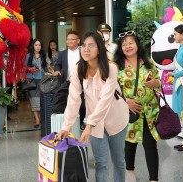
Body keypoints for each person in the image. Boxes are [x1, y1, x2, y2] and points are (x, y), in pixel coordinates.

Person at [55, 31, 129, 182]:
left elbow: (105, 100)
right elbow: (73, 99)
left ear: (99, 48)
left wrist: (89, 124)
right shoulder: (78, 69)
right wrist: (66, 126)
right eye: (83, 46)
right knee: (101, 164)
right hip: (94, 124)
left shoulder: (111, 68)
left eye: (91, 46)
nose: (86, 50)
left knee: (119, 162)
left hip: (116, 119)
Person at [115, 31, 161, 182]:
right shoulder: (117, 67)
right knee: (129, 143)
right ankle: (129, 172)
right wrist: (127, 102)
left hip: (149, 111)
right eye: (124, 44)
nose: (128, 46)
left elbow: (158, 82)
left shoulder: (148, 62)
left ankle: (153, 179)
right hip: (128, 111)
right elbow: (113, 90)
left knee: (150, 145)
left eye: (131, 43)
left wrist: (156, 83)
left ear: (137, 44)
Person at [53, 31, 86, 129]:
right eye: (67, 39)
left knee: (82, 103)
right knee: (69, 102)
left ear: (78, 40)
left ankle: (81, 121)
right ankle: (69, 123)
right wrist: (57, 70)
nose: (69, 41)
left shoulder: (83, 52)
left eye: (72, 39)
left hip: (82, 82)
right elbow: (57, 64)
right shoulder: (62, 53)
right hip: (67, 82)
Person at [26, 39, 48, 128]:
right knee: (34, 100)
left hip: (42, 80)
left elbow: (45, 67)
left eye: (39, 45)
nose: (38, 47)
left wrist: (49, 71)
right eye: (36, 45)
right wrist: (31, 69)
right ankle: (37, 120)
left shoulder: (43, 55)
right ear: (33, 46)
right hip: (32, 81)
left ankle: (40, 118)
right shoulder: (28, 56)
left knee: (41, 100)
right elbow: (24, 68)